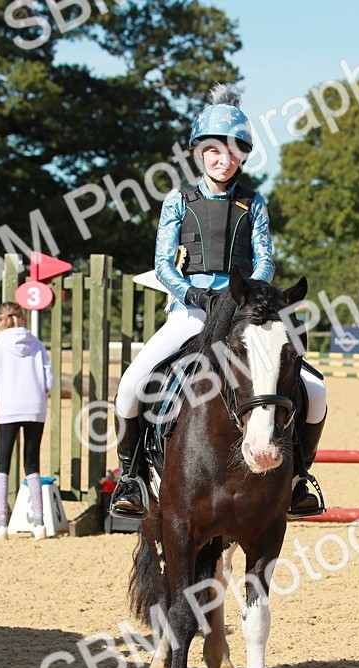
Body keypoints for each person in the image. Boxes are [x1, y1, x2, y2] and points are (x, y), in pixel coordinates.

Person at [109, 84, 328, 520]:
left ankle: (299, 478)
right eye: (213, 150)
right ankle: (130, 477)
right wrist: (193, 294)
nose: (222, 159)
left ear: (242, 156)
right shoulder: (178, 199)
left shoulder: (254, 202)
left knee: (316, 391)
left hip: (242, 311)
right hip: (190, 311)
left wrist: (243, 296)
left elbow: (265, 260)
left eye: (232, 152)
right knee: (131, 385)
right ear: (198, 152)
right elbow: (162, 263)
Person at [0, 302, 55, 540]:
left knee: (2, 464)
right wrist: (40, 397)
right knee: (32, 465)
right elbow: (49, 381)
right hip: (35, 408)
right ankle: (39, 524)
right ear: (22, 319)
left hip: (8, 408)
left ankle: (1, 524)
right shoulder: (37, 344)